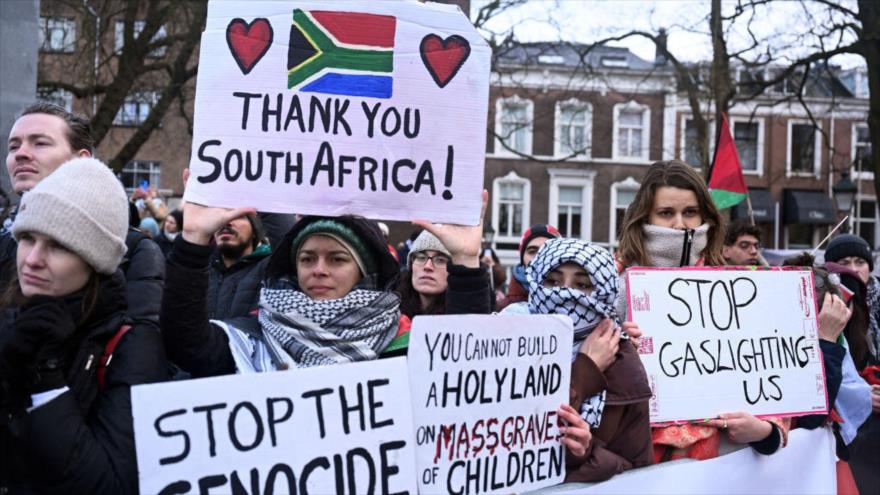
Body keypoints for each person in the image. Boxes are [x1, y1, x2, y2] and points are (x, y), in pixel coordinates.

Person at [160, 192, 490, 376]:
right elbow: (186, 346)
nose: (319, 270)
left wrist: (466, 261)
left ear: (363, 271)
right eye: (307, 259)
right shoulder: (255, 337)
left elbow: (459, 369)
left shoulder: (401, 345)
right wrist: (193, 241)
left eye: (337, 259)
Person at [0, 157, 169, 493]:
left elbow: (108, 485)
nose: (32, 259)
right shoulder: (9, 318)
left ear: (95, 260)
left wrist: (46, 376)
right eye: (28, 238)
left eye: (59, 245)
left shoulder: (134, 347)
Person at [614, 160, 787, 461]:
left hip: (727, 464)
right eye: (666, 213)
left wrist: (765, 431)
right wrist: (620, 354)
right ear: (646, 216)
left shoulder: (740, 288)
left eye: (690, 212)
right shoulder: (615, 290)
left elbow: (766, 369)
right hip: (640, 462)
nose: (680, 224)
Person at [502, 237, 652, 482]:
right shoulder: (507, 337)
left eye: (582, 285)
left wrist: (585, 451)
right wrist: (586, 370)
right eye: (552, 281)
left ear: (605, 292)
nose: (565, 293)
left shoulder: (623, 361)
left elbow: (638, 473)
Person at [1, 103, 94, 286]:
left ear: (81, 160)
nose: (21, 154)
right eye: (13, 146)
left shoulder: (131, 250)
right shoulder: (4, 244)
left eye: (40, 143)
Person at [822, 234, 880, 494]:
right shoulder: (826, 319)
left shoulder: (867, 312)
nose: (854, 268)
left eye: (860, 261)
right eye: (845, 261)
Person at [206, 213, 271, 319]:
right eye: (221, 217)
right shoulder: (199, 271)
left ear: (254, 231)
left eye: (238, 217)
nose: (226, 222)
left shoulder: (269, 269)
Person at [499, 224, 561, 310]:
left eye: (547, 250)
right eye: (532, 251)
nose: (539, 257)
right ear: (522, 259)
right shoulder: (503, 309)